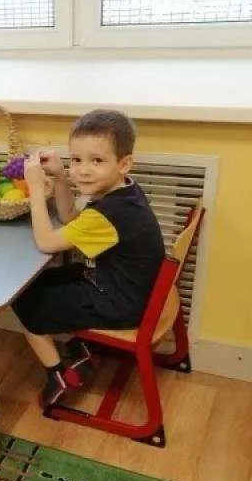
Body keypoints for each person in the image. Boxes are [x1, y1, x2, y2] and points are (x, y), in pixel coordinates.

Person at [12, 109, 165, 414]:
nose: (82, 171)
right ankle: (80, 346)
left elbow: (45, 242)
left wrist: (35, 189)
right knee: (34, 283)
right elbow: (71, 217)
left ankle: (57, 375)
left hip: (120, 302)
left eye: (96, 161)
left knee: (22, 301)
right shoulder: (123, 192)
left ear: (124, 163)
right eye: (76, 160)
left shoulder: (109, 213)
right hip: (122, 286)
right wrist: (59, 176)